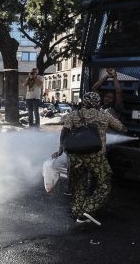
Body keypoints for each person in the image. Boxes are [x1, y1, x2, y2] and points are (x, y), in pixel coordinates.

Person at [52, 92, 127, 225]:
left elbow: (64, 134)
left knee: (78, 184)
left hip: (74, 156)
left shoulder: (73, 115)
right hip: (96, 156)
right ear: (98, 102)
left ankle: (77, 212)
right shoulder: (104, 114)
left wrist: (60, 151)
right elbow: (121, 128)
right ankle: (88, 208)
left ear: (84, 102)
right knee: (104, 183)